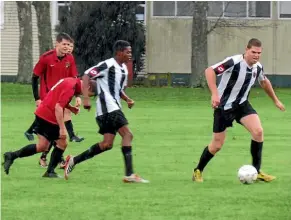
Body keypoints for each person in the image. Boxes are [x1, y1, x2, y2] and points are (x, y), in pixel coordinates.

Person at [192, 38, 285, 183]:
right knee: (216, 145)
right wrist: (214, 94)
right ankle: (198, 170)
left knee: (258, 132)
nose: (256, 55)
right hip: (224, 107)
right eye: (253, 52)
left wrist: (276, 100)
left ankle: (256, 170)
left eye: (259, 53)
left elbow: (264, 82)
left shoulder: (258, 67)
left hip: (242, 105)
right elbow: (209, 71)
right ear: (246, 50)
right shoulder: (233, 62)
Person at [64, 40, 149, 183]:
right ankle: (129, 174)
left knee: (107, 144)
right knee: (128, 135)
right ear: (119, 52)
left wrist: (127, 99)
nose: (130, 54)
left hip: (111, 109)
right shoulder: (107, 64)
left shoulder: (124, 69)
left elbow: (118, 89)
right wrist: (86, 99)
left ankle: (73, 160)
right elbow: (86, 76)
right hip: (108, 108)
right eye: (127, 52)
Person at [3, 77, 94, 178]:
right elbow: (58, 107)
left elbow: (57, 98)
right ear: (88, 87)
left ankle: (11, 155)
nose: (85, 96)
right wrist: (62, 128)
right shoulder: (71, 87)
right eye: (89, 95)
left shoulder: (70, 81)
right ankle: (50, 171)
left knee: (42, 146)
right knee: (62, 143)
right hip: (49, 116)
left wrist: (71, 108)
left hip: (42, 112)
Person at [23, 33, 83, 168]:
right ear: (57, 44)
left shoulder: (70, 58)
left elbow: (74, 77)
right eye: (64, 44)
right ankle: (51, 158)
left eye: (69, 45)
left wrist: (77, 95)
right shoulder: (46, 58)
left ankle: (48, 157)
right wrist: (37, 98)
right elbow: (34, 77)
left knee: (56, 131)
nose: (67, 47)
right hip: (47, 98)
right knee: (56, 131)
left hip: (61, 97)